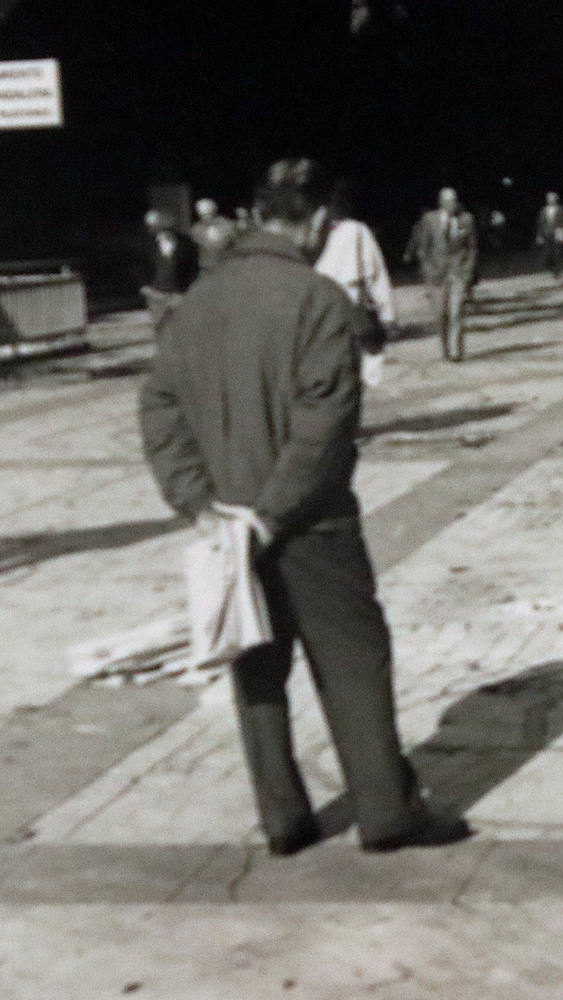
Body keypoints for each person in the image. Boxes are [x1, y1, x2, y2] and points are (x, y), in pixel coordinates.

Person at [138, 157, 471, 855]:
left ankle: (283, 819)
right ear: (318, 219)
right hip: (311, 525)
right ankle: (386, 812)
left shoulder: (195, 303)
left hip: (228, 523)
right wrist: (273, 511)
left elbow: (159, 409)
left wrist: (201, 505)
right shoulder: (319, 300)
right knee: (353, 659)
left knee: (257, 668)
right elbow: (325, 425)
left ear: (258, 217)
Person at [313, 186, 396, 388]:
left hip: (334, 303)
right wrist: (387, 312)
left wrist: (387, 310)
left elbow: (374, 272)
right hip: (344, 301)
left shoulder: (347, 231)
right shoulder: (355, 230)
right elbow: (375, 272)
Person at [404, 187, 477, 362]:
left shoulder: (466, 220)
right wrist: (429, 271)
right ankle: (445, 348)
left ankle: (456, 351)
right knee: (441, 315)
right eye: (449, 200)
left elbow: (472, 247)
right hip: (437, 276)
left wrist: (467, 271)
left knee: (456, 313)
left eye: (455, 200)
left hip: (458, 273)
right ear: (442, 202)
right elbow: (423, 249)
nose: (453, 204)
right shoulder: (430, 220)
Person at [140, 209, 198, 331]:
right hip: (156, 294)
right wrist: (144, 286)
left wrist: (184, 292)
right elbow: (140, 266)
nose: (164, 232)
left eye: (167, 228)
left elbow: (193, 269)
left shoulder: (186, 244)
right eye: (159, 229)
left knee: (181, 328)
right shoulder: (148, 244)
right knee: (160, 327)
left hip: (179, 294)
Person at [189, 198, 237, 274]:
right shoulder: (196, 229)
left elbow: (232, 243)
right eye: (202, 215)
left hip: (227, 266)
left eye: (208, 214)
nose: (205, 218)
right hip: (206, 268)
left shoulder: (227, 225)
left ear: (214, 211)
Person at [534, 191, 563, 279]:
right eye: (549, 198)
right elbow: (540, 224)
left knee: (557, 253)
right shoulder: (543, 211)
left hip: (557, 233)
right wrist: (539, 236)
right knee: (547, 254)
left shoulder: (561, 209)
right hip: (546, 234)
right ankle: (551, 267)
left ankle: (557, 271)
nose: (550, 200)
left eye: (552, 198)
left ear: (556, 199)